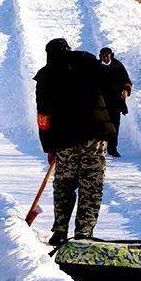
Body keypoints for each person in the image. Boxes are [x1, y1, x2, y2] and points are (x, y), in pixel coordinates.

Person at [34, 38, 116, 247]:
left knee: (64, 185)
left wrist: (49, 148)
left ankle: (60, 231)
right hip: (95, 136)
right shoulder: (89, 61)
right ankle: (84, 234)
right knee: (91, 186)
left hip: (65, 140)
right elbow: (110, 87)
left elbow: (43, 118)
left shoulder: (46, 75)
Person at [98, 47, 132, 158]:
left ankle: (112, 148)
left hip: (116, 101)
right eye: (103, 56)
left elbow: (126, 81)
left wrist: (126, 90)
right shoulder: (97, 66)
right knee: (101, 125)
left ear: (111, 55)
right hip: (101, 102)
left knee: (114, 126)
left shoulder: (118, 65)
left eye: (107, 56)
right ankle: (100, 148)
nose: (105, 58)